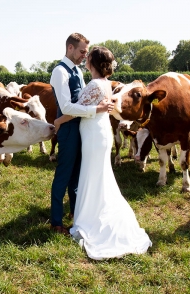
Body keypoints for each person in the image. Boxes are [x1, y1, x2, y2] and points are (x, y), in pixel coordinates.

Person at [54, 46, 152, 259]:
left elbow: (73, 110)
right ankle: (94, 211)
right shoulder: (107, 84)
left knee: (92, 175)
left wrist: (58, 121)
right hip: (99, 133)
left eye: (87, 57)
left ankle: (91, 218)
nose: (84, 59)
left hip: (93, 135)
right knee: (99, 175)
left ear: (92, 63)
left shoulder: (94, 84)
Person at [50, 33, 114, 235]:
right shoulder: (60, 72)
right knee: (64, 174)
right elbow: (67, 106)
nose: (84, 56)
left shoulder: (77, 70)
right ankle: (56, 220)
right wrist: (96, 109)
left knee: (77, 175)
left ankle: (76, 213)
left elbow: (85, 98)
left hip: (82, 128)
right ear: (70, 48)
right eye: (81, 51)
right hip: (68, 130)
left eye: (86, 52)